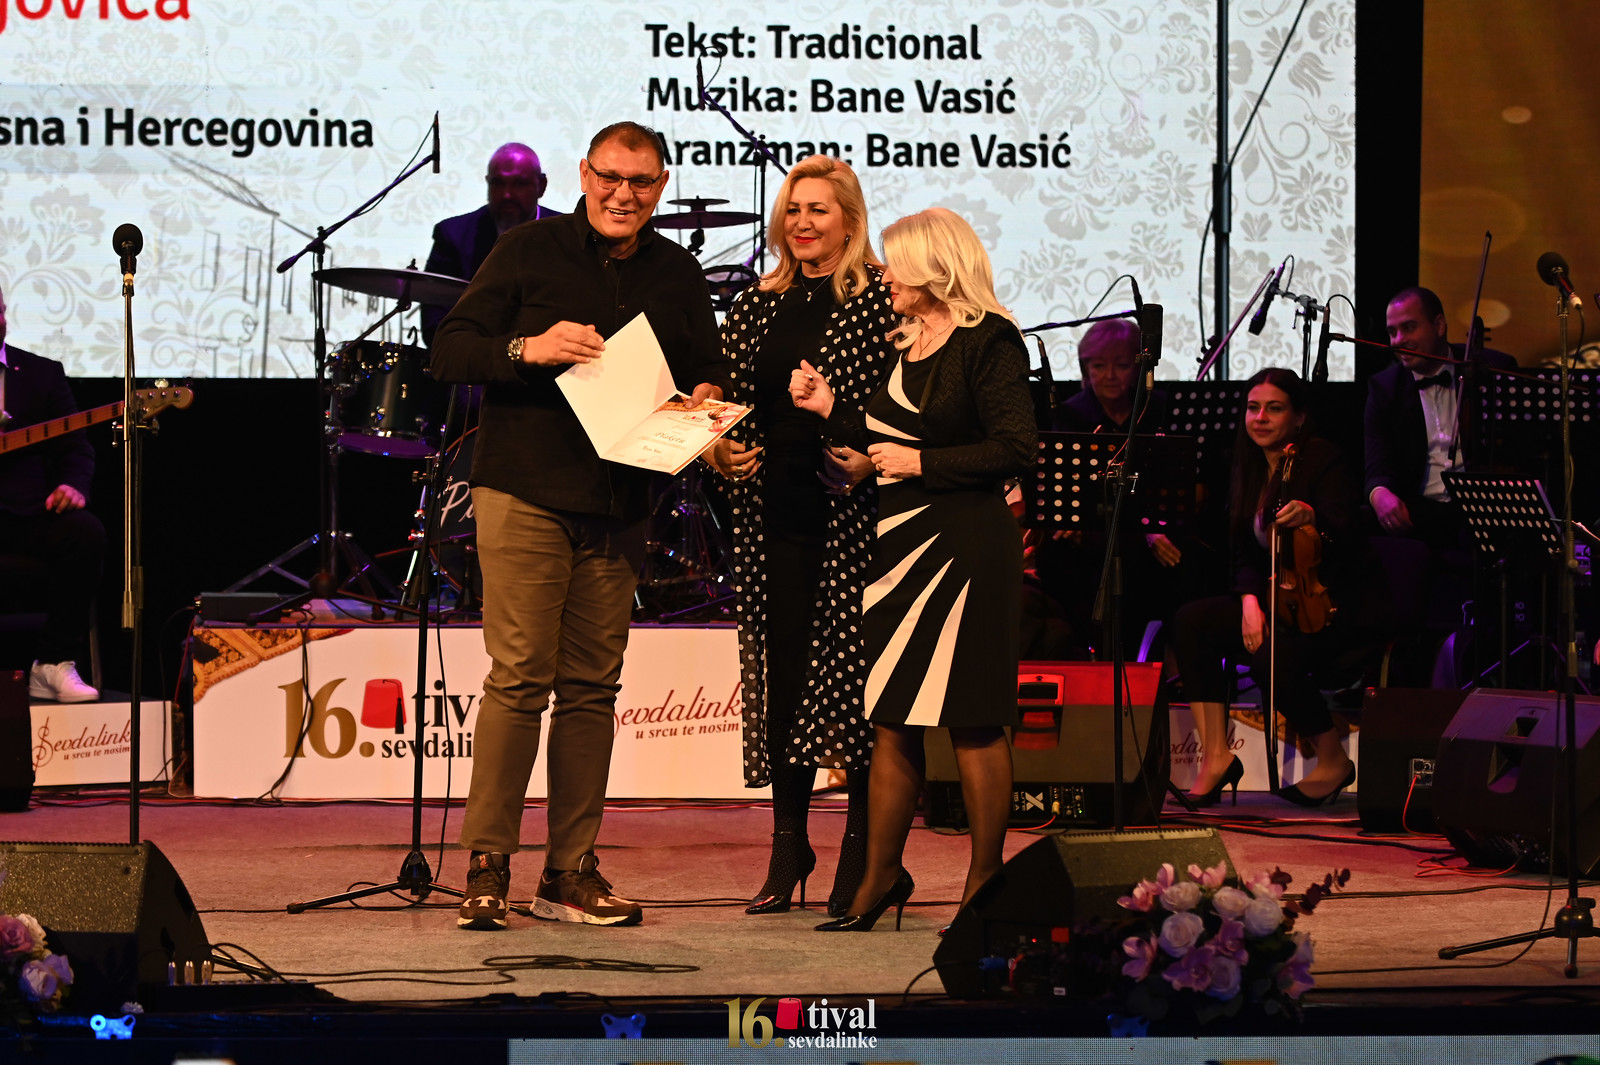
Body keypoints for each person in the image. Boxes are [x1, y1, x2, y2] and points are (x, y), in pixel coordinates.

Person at [430, 122, 730, 930]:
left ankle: (568, 871)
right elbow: (451, 349)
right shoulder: (528, 250)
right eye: (609, 177)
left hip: (623, 500)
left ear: (661, 187)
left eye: (641, 181)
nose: (623, 194)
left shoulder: (677, 271)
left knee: (593, 689)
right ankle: (488, 864)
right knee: (520, 676)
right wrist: (528, 347)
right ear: (584, 174)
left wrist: (707, 397)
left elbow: (709, 367)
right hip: (526, 488)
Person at [789, 208, 1037, 931]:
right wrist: (830, 408)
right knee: (892, 718)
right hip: (900, 546)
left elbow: (1015, 448)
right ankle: (879, 879)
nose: (885, 274)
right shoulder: (907, 340)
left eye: (896, 262)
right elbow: (887, 440)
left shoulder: (990, 340)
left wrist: (921, 463)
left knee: (972, 720)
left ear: (934, 267)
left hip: (967, 548)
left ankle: (985, 881)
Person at [704, 156, 895, 918]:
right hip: (769, 515)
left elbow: (903, 406)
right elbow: (727, 400)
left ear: (850, 218)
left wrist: (859, 440)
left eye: (819, 209)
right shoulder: (756, 302)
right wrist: (718, 449)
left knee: (853, 686)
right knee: (784, 679)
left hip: (854, 516)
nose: (803, 222)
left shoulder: (881, 297)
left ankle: (861, 851)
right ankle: (789, 844)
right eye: (793, 209)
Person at [1170, 368, 1372, 808]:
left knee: (1270, 657)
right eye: (1253, 408)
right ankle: (1217, 756)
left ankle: (1333, 759)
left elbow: (1348, 533)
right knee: (1192, 621)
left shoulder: (1324, 459)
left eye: (1274, 409)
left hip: (1328, 604)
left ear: (1299, 417)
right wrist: (1249, 602)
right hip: (1272, 597)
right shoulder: (1246, 464)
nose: (1260, 418)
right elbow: (1241, 551)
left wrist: (1314, 517)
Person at [0, 283, 104, 703]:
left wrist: (73, 485)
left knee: (85, 533)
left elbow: (76, 446)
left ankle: (52, 664)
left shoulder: (41, 373)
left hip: (26, 512)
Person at [1365, 286, 1516, 552]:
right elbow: (1378, 464)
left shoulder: (1490, 369)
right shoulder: (1384, 387)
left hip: (1481, 507)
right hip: (1418, 510)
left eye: (1409, 328)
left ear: (1439, 325)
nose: (1398, 340)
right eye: (1392, 332)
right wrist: (1380, 494)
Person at [422, 143, 555, 347]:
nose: (507, 194)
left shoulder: (566, 235)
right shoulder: (453, 235)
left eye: (519, 183)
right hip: (475, 358)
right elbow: (434, 325)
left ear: (541, 186)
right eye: (498, 183)